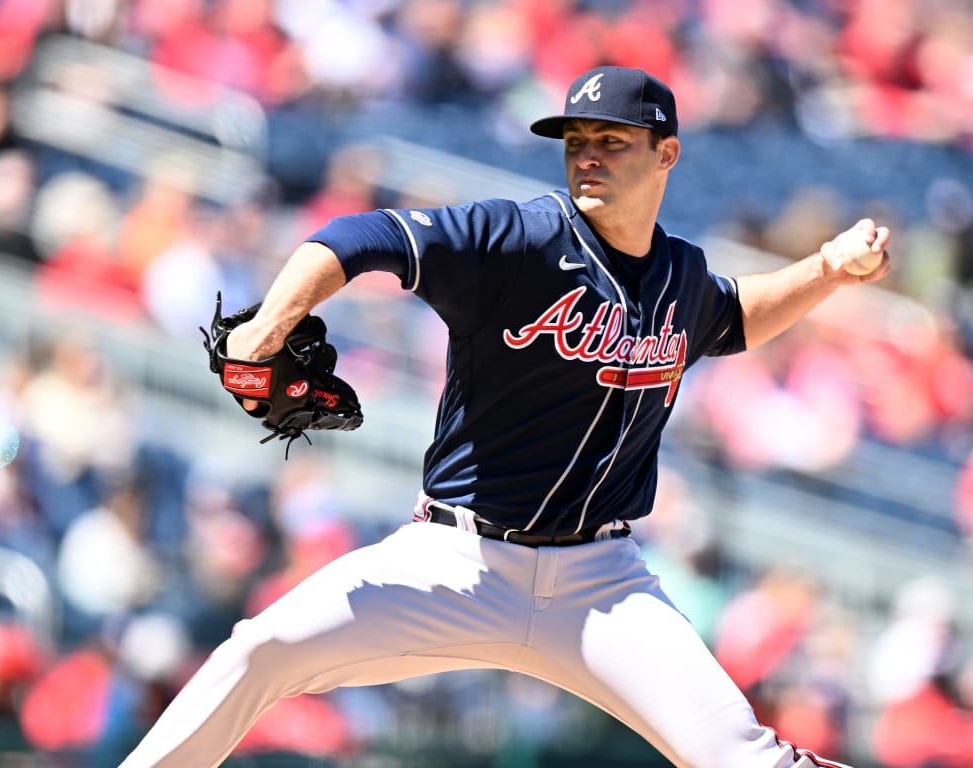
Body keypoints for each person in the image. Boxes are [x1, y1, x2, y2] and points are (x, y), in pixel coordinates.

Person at [120, 65, 890, 768]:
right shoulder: (520, 238)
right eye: (576, 140)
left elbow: (735, 315)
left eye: (612, 141)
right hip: (456, 563)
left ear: (666, 155)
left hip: (601, 584)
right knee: (263, 650)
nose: (588, 154)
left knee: (744, 759)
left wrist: (824, 271)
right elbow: (364, 236)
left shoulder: (681, 276)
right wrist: (268, 325)